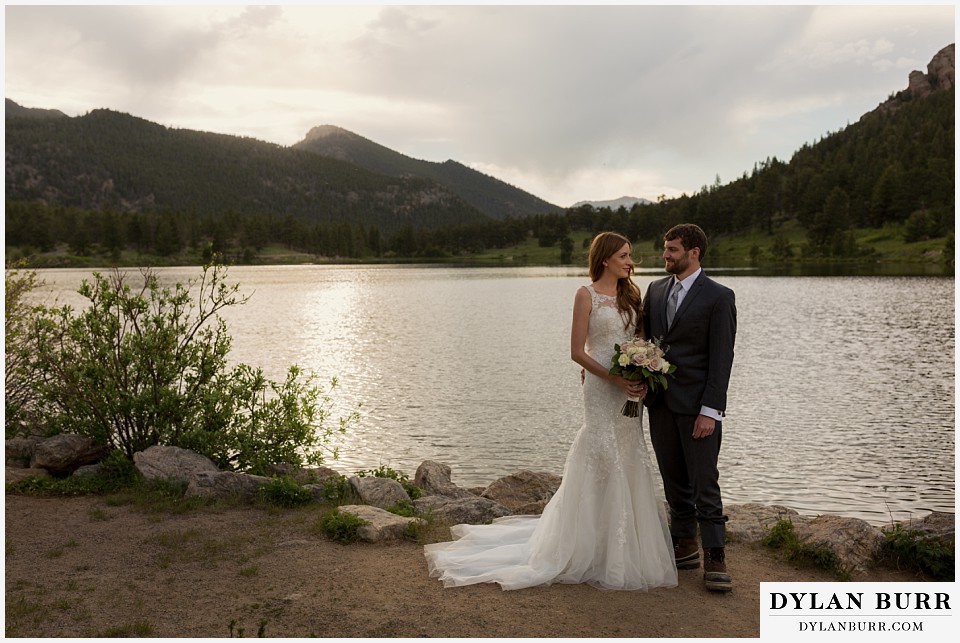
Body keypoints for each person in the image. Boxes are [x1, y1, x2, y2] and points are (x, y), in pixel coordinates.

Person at [423, 232, 678, 591]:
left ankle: (622, 549)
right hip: (600, 385)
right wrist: (614, 379)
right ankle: (583, 548)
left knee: (629, 453)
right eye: (622, 255)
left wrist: (640, 374)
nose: (628, 261)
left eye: (629, 255)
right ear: (604, 258)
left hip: (629, 389)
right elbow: (577, 351)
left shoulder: (632, 295)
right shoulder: (584, 294)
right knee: (603, 454)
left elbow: (639, 343)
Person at [642, 223, 737, 592]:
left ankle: (716, 555)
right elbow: (647, 341)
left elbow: (721, 358)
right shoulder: (655, 289)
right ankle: (684, 545)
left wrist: (710, 411)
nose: (665, 255)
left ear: (694, 252)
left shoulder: (718, 296)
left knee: (704, 482)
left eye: (672, 250)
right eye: (665, 249)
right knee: (673, 479)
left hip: (698, 407)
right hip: (660, 403)